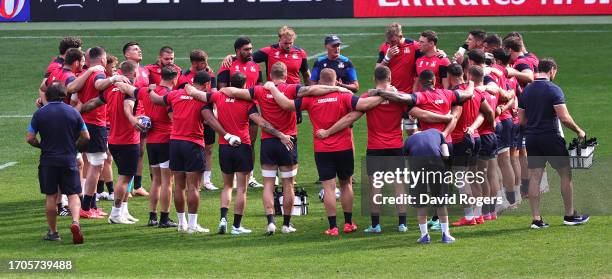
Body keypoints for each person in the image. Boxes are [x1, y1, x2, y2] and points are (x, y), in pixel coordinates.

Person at [315, 66, 452, 233]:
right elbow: (420, 113)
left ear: (374, 79)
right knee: (399, 185)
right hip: (395, 146)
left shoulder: (368, 97)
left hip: (375, 147)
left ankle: (375, 225)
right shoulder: (399, 97)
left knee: (375, 186)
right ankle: (402, 224)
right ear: (390, 78)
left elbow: (351, 117)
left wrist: (329, 131)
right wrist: (445, 118)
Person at [219, 62, 349, 234]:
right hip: (288, 141)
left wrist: (224, 91)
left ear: (270, 75)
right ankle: (286, 225)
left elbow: (229, 91)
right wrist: (337, 89)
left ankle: (270, 222)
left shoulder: (259, 90)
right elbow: (312, 90)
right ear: (286, 75)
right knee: (289, 184)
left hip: (268, 142)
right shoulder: (291, 89)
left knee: (268, 184)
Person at [268, 68, 383, 236]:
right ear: (336, 81)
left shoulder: (311, 98)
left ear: (319, 83)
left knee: (329, 188)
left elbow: (286, 104)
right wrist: (386, 94)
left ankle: (333, 227)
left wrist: (272, 88)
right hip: (344, 147)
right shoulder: (344, 96)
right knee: (346, 184)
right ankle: (349, 223)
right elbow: (365, 105)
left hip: (322, 149)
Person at [188, 72, 294, 235]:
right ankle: (236, 226)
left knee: (227, 186)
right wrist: (280, 134)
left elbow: (194, 93)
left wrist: (187, 86)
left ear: (230, 83)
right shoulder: (247, 102)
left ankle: (223, 219)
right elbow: (262, 123)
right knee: (242, 189)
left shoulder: (218, 96)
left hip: (225, 146)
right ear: (245, 86)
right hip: (242, 146)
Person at [147, 71, 227, 234]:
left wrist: (150, 89)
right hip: (193, 144)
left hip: (175, 143)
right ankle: (192, 225)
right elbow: (211, 119)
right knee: (194, 187)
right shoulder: (202, 99)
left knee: (179, 186)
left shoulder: (175, 94)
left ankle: (181, 224)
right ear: (206, 85)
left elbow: (155, 99)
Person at [518, 58, 589, 229]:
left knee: (535, 176)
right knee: (565, 174)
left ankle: (536, 219)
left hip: (532, 138)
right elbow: (564, 117)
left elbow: (521, 120)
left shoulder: (526, 90)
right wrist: (579, 131)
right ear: (552, 70)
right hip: (551, 137)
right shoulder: (553, 89)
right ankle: (569, 215)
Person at [79, 60, 144, 225]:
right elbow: (127, 108)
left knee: (126, 177)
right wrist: (132, 119)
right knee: (124, 178)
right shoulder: (128, 89)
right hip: (128, 140)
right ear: (135, 73)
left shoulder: (110, 89)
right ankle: (115, 214)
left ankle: (124, 211)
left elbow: (93, 103)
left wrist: (78, 110)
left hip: (113, 139)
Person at [27, 81, 89, 244]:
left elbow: (30, 138)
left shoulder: (39, 114)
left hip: (48, 160)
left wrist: (41, 146)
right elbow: (86, 136)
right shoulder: (73, 113)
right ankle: (75, 222)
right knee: (73, 194)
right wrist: (74, 147)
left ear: (47, 96)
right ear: (64, 96)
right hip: (68, 159)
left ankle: (53, 232)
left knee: (51, 196)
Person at [75, 47, 129, 219]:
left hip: (86, 122)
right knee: (96, 165)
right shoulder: (98, 73)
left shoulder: (86, 73)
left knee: (92, 164)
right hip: (95, 124)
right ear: (103, 60)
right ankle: (85, 207)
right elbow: (98, 85)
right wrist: (114, 78)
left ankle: (92, 205)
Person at [217, 38, 265, 189]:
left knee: (250, 143)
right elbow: (222, 89)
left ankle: (249, 176)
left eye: (251, 49)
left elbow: (259, 88)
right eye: (246, 49)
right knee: (232, 141)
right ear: (237, 51)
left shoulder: (256, 66)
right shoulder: (227, 66)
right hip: (233, 109)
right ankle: (234, 177)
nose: (250, 52)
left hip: (251, 108)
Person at [177, 49, 219, 191]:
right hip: (192, 118)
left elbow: (213, 93)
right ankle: (193, 181)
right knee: (195, 149)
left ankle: (206, 180)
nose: (206, 64)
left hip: (207, 117)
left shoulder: (210, 74)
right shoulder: (183, 77)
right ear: (194, 63)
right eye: (203, 62)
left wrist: (213, 112)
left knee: (208, 148)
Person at [404, 128, 455, 244]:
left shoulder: (408, 141)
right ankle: (446, 234)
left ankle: (424, 236)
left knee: (420, 202)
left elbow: (406, 163)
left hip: (417, 167)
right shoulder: (438, 133)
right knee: (440, 201)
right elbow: (446, 155)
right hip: (436, 164)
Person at [121, 42, 151, 197]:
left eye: (140, 48)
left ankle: (137, 186)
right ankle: (126, 187)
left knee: (140, 152)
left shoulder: (145, 70)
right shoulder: (122, 73)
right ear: (126, 54)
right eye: (135, 49)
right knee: (128, 153)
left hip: (144, 117)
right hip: (129, 117)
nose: (139, 50)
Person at [38, 36, 83, 106]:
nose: (81, 54)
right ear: (69, 51)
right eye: (78, 51)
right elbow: (42, 89)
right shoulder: (56, 66)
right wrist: (47, 106)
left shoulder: (65, 64)